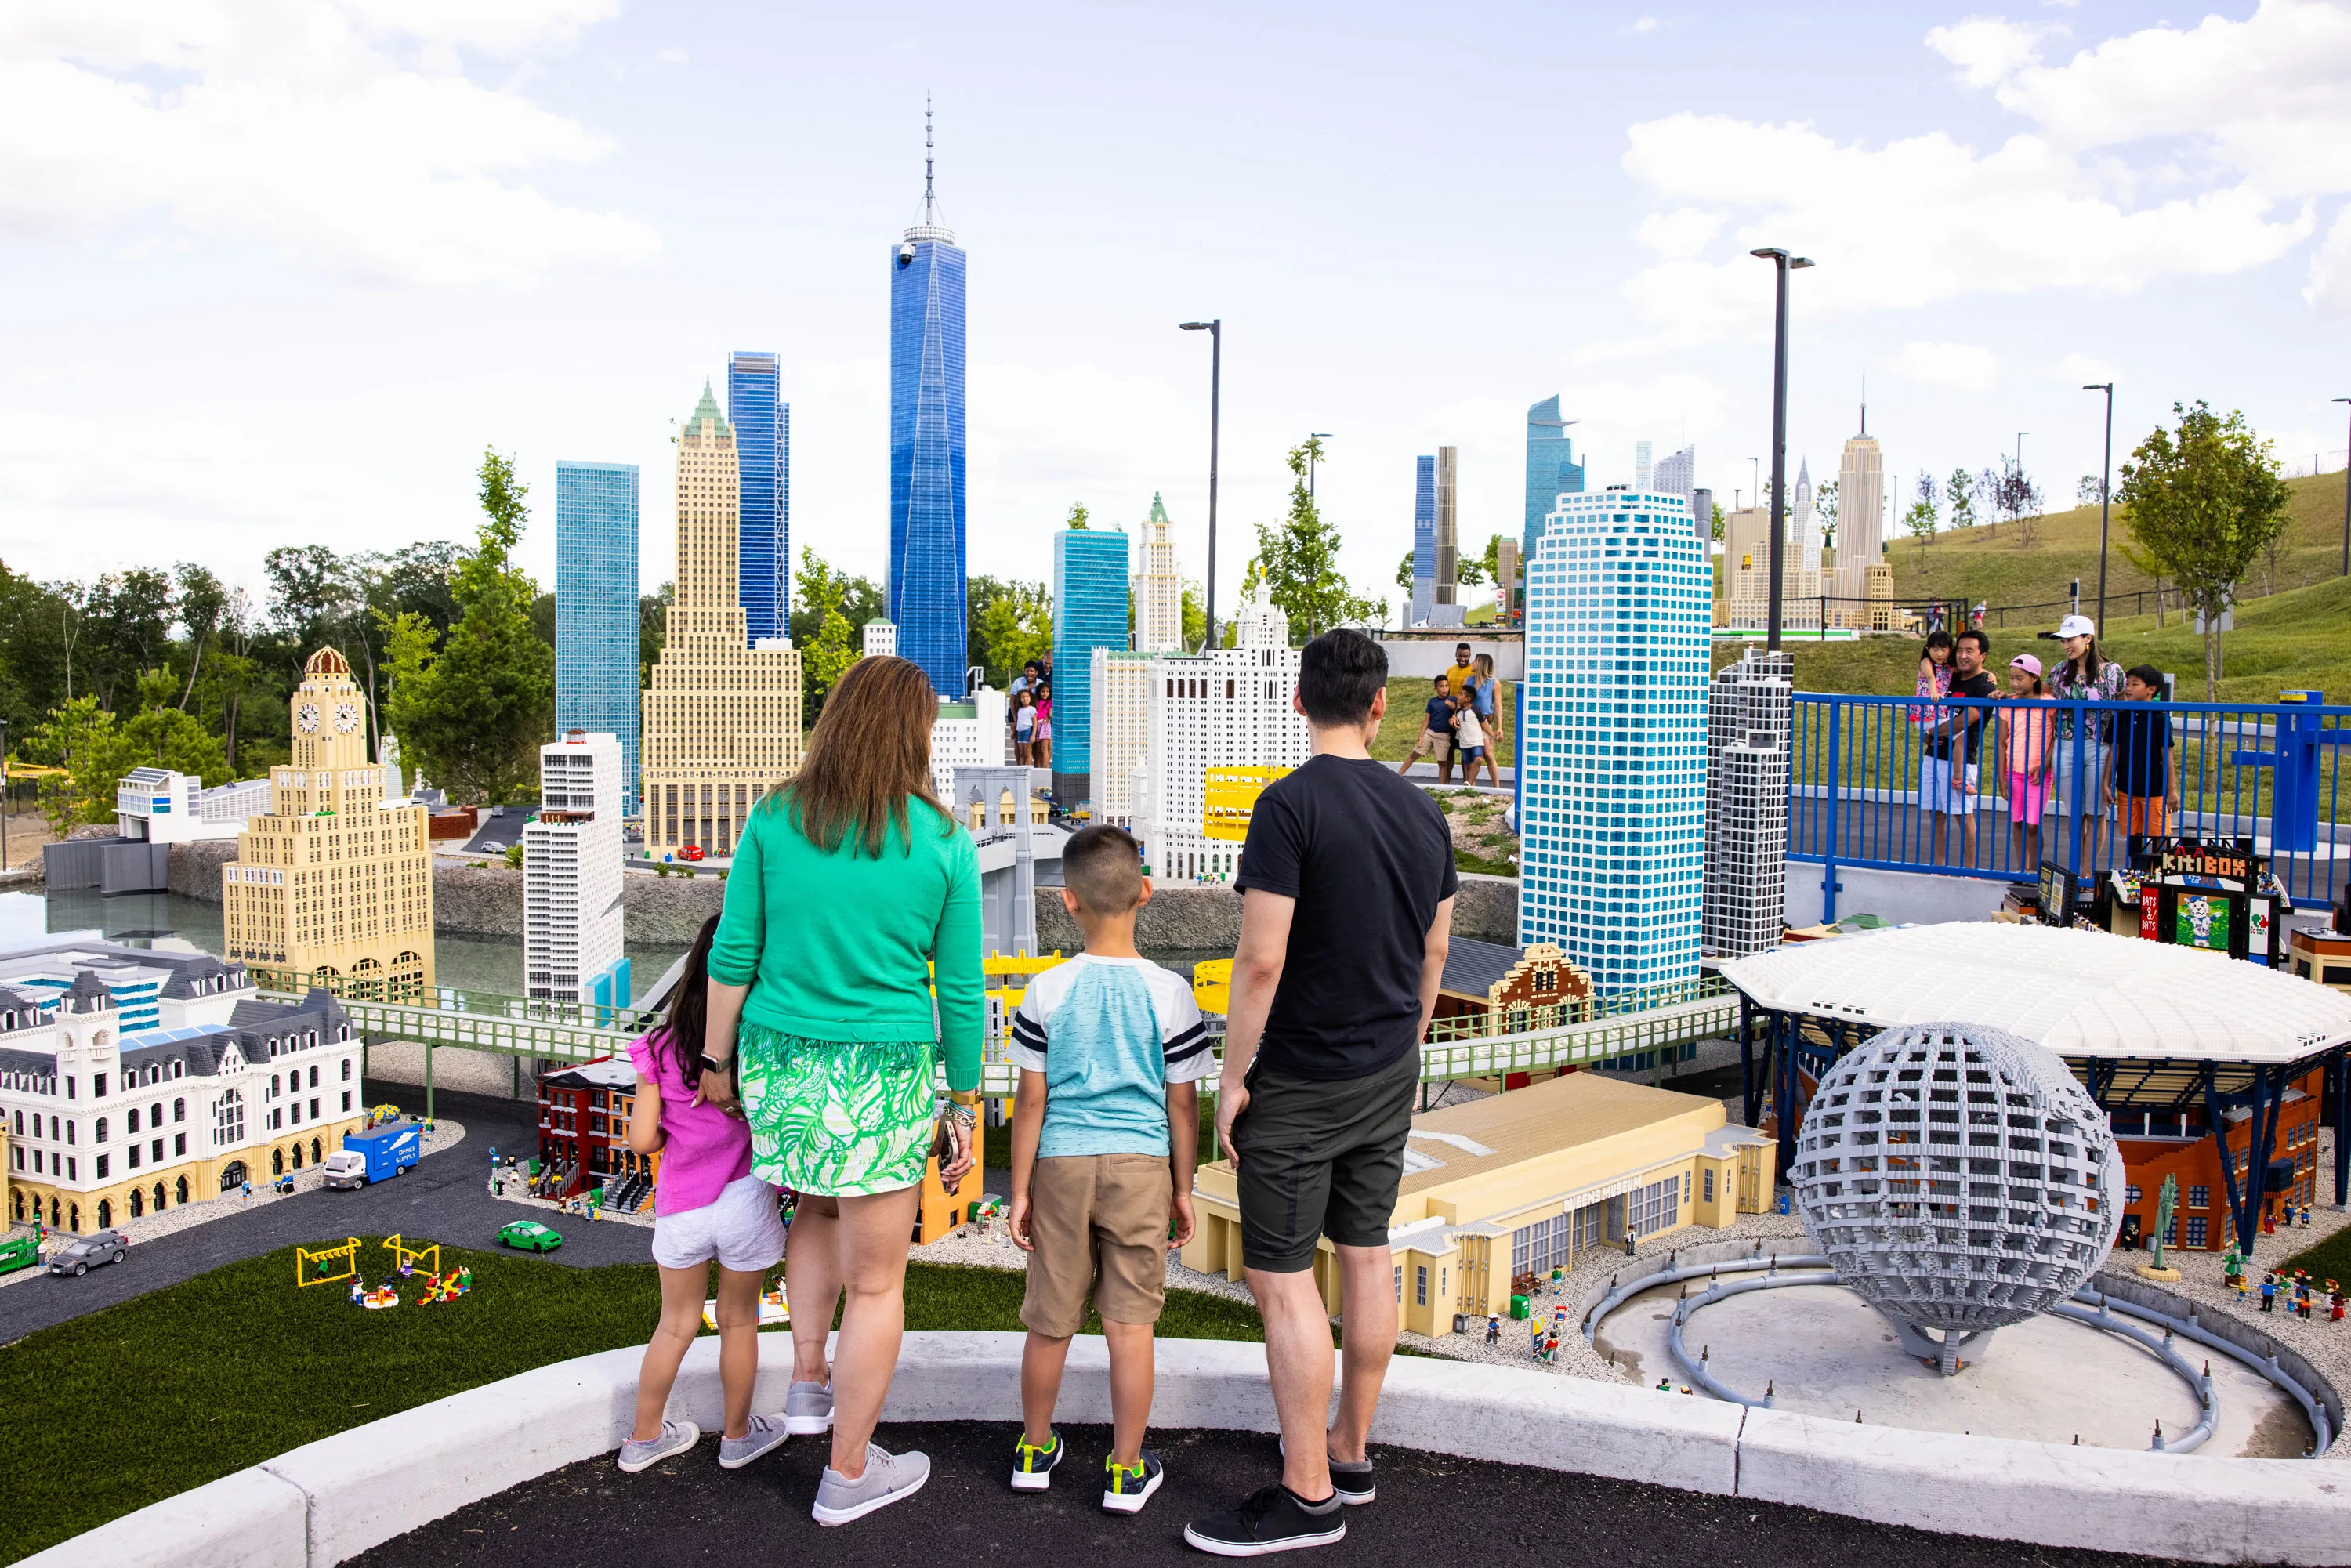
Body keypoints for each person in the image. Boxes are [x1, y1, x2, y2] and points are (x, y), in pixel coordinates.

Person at [1186, 628, 1457, 1557]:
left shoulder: (1287, 807)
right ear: (1381, 707)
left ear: (1299, 702)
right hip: (1388, 1069)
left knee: (1280, 1275)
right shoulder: (1425, 816)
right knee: (1369, 1257)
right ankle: (1349, 1451)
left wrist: (1232, 1080)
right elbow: (1436, 952)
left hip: (1301, 1077)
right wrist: (1409, 1035)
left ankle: (1307, 1497)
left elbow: (1260, 962)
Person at [698, 654, 983, 1526]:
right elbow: (962, 990)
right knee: (881, 1282)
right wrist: (964, 1099)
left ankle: (811, 1382)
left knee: (813, 1210)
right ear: (918, 734)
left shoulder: (777, 817)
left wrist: (716, 1065)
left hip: (780, 1061)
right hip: (882, 1072)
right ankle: (849, 1472)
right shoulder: (941, 841)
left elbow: (733, 954)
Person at [1005, 826, 1211, 1513]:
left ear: (1069, 901)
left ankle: (1034, 1450)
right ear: (1145, 892)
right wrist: (1183, 1188)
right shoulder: (1171, 993)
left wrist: (1020, 1190)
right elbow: (1182, 1107)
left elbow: (1030, 1101)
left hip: (1061, 1161)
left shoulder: (1045, 989)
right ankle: (1125, 1469)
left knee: (1050, 1320)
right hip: (1143, 1164)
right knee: (1130, 1326)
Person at [614, 911, 792, 1476]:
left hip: (682, 1207)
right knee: (739, 1321)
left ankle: (644, 1438)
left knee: (675, 1324)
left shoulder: (660, 1046)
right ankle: (737, 1437)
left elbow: (642, 1140)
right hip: (747, 1200)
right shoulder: (759, 1046)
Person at [1922, 628, 1997, 867]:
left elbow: (1968, 718)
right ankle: (1940, 867)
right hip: (1933, 755)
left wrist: (1931, 732)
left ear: (1982, 655)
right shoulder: (1949, 676)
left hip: (1961, 760)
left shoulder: (1985, 686)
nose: (1963, 656)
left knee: (1963, 816)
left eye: (1970, 651)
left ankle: (1971, 870)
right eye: (1960, 650)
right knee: (1937, 815)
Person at [2106, 664, 2176, 844]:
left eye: (2135, 684)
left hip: (2154, 789)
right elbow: (2115, 751)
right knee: (2133, 837)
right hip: (2126, 788)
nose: (2128, 688)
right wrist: (2106, 783)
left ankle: (2158, 872)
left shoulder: (2160, 719)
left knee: (2158, 838)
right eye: (2127, 684)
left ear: (2151, 690)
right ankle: (2134, 871)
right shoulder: (2121, 717)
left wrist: (2172, 791)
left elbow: (2167, 755)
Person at [2000, 653, 2055, 872]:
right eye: (2011, 678)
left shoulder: (2049, 704)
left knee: (2033, 824)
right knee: (2018, 821)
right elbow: (2002, 742)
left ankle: (2034, 869)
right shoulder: (2007, 705)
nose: (2014, 683)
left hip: (2038, 773)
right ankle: (2022, 868)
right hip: (2013, 771)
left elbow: (2056, 736)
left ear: (2034, 678)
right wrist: (2001, 776)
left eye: (2019, 678)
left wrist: (2045, 764)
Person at [1395, 675, 1458, 783]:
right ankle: (1398, 775)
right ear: (1436, 688)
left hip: (1444, 735)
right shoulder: (1432, 702)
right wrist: (1421, 735)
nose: (1444, 689)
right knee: (1415, 754)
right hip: (1430, 732)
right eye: (1441, 686)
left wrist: (1452, 706)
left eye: (1446, 686)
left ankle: (1441, 787)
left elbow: (1457, 709)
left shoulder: (1453, 700)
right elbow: (1427, 719)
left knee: (1442, 763)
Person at [1462, 653, 1502, 788]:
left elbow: (1497, 706)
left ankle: (1497, 787)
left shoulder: (1494, 683)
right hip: (1469, 723)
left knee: (1488, 755)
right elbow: (1461, 700)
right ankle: (1471, 785)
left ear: (1482, 664)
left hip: (1485, 722)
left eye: (1475, 661)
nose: (1472, 663)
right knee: (1471, 758)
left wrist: (1500, 727)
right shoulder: (1468, 681)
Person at [1908, 628, 1954, 725]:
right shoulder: (1926, 662)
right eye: (1935, 650)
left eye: (1944, 650)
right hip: (1926, 712)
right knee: (1956, 730)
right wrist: (1933, 693)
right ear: (1928, 649)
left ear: (1950, 650)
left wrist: (1987, 673)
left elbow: (1966, 669)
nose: (1939, 654)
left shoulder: (1949, 667)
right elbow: (1931, 678)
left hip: (1940, 711)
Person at [1031, 680, 1054, 772]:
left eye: (1047, 691)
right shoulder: (1036, 701)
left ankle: (1044, 770)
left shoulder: (1050, 702)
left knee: (1044, 748)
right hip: (1037, 725)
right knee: (1037, 749)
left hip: (1045, 725)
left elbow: (1051, 714)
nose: (1045, 694)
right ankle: (1038, 768)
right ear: (1039, 692)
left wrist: (1050, 717)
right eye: (1043, 691)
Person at [1012, 687, 1037, 766]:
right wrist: (1014, 732)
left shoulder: (1032, 709)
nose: (1025, 699)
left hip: (1027, 732)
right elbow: (1018, 722)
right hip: (1020, 733)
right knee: (1021, 753)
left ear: (1030, 698)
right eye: (1023, 697)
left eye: (1027, 697)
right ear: (1020, 699)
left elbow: (1035, 722)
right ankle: (1022, 769)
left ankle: (1028, 769)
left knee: (1027, 753)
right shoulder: (1019, 710)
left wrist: (1033, 735)